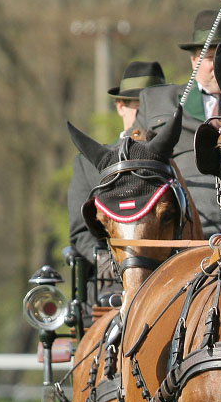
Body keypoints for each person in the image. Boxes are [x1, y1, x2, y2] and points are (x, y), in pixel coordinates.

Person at [131, 8, 221, 238]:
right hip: (180, 235)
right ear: (194, 61)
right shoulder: (158, 103)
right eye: (210, 58)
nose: (220, 65)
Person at [67, 60, 167, 305]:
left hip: (170, 273)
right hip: (112, 282)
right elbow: (81, 234)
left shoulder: (174, 159)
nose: (144, 116)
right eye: (137, 106)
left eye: (151, 107)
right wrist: (120, 265)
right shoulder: (88, 164)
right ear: (120, 106)